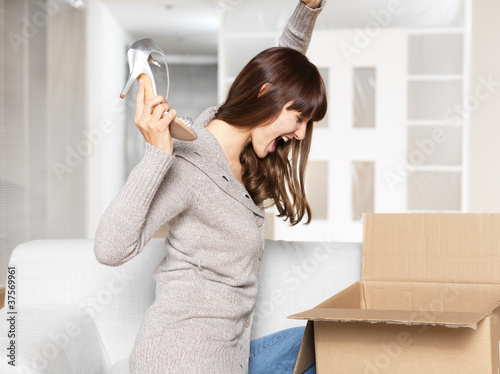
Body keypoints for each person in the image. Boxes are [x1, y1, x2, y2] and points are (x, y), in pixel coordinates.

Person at [94, 1, 327, 373]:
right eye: (299, 118)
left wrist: (308, 7)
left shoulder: (234, 141)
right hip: (181, 360)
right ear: (266, 95)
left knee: (328, 344)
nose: (299, 134)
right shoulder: (190, 163)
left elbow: (285, 67)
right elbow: (109, 248)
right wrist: (157, 156)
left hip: (228, 356)